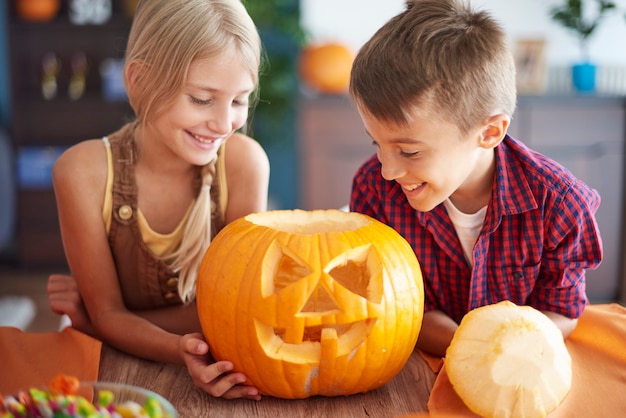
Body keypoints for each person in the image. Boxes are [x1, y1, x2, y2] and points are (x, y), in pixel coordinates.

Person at [348, 0, 602, 358]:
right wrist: (471, 350)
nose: (388, 170)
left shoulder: (560, 203)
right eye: (377, 143)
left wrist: (501, 353)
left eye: (409, 152)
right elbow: (398, 306)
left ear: (489, 132)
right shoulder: (374, 189)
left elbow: (561, 311)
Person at [47, 0, 268, 400]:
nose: (223, 124)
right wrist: (172, 344)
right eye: (202, 99)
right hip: (116, 379)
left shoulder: (244, 164)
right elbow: (111, 316)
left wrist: (99, 322)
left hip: (217, 368)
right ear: (140, 80)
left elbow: (240, 310)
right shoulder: (82, 172)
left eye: (239, 101)